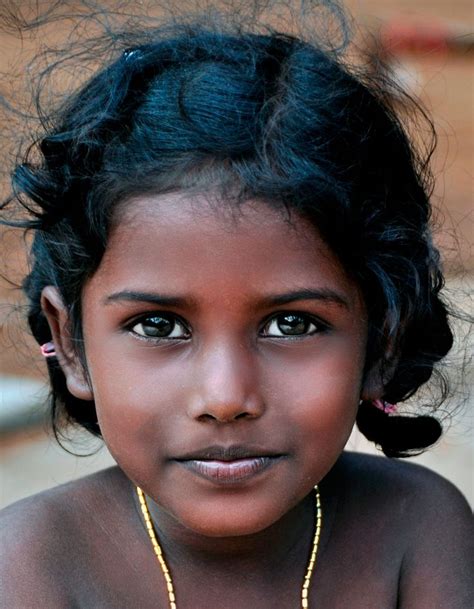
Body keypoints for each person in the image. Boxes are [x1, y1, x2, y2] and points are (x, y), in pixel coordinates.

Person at [0, 3, 472, 608]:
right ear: (72, 344)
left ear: (383, 337)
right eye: (157, 324)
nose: (225, 397)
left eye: (292, 323)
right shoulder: (31, 565)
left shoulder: (419, 530)